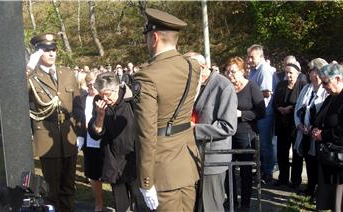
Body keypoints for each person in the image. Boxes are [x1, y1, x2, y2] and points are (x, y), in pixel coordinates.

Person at [133, 8, 201, 211]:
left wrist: (146, 181)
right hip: (187, 163)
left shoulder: (147, 77)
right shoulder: (192, 67)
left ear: (154, 37)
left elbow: (146, 133)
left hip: (162, 170)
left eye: (146, 37)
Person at [26, 33, 81, 211]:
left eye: (54, 49)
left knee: (69, 188)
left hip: (69, 139)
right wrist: (28, 67)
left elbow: (78, 106)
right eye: (46, 50)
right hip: (46, 141)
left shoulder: (67, 74)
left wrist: (81, 134)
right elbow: (14, 90)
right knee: (51, 192)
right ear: (37, 53)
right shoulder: (32, 75)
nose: (51, 53)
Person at [87, 72, 148, 211]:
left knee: (141, 203)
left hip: (134, 159)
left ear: (117, 88)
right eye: (101, 94)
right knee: (121, 206)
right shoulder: (98, 101)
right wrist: (100, 116)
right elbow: (96, 134)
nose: (105, 98)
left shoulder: (131, 99)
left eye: (108, 94)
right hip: (113, 161)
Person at [186, 52, 237, 211]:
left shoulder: (223, 86)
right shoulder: (193, 85)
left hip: (213, 158)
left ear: (201, 68)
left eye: (188, 69)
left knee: (211, 205)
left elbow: (228, 126)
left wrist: (196, 130)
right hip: (193, 156)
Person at [224, 56, 265, 209]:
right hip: (228, 133)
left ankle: (245, 203)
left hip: (246, 133)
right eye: (227, 72)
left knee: (245, 170)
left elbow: (261, 112)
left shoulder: (251, 86)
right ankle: (232, 199)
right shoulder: (226, 87)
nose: (230, 75)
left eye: (233, 72)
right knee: (228, 168)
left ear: (242, 71)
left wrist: (242, 114)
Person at [312, 63, 343, 212]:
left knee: (341, 201)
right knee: (329, 198)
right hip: (329, 155)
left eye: (326, 82)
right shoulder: (331, 97)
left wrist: (324, 134)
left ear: (338, 78)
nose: (324, 86)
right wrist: (316, 128)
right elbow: (320, 117)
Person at [293, 58, 328, 198]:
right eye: (312, 71)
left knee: (318, 162)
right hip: (305, 132)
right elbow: (298, 108)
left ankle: (319, 192)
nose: (311, 74)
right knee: (308, 161)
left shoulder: (326, 90)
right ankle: (310, 188)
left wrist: (315, 128)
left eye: (313, 71)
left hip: (318, 134)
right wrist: (299, 125)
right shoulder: (307, 88)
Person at [247, 44, 279, 184]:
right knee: (260, 144)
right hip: (257, 112)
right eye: (248, 57)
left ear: (261, 56)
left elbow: (266, 93)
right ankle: (262, 170)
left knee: (266, 144)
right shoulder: (254, 70)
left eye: (252, 57)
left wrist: (251, 95)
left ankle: (268, 172)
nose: (249, 60)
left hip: (265, 112)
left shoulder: (264, 71)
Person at [272, 62, 307, 189]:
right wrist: (279, 108)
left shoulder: (302, 85)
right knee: (282, 153)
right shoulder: (281, 85)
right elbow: (274, 102)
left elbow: (304, 103)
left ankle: (296, 180)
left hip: (295, 125)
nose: (288, 75)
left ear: (297, 73)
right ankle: (283, 178)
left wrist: (291, 108)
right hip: (282, 124)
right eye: (286, 73)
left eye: (291, 72)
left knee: (297, 154)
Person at [73, 72, 104, 211]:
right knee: (92, 173)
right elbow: (79, 117)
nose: (91, 86)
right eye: (89, 84)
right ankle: (99, 202)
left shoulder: (104, 97)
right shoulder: (83, 98)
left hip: (103, 140)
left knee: (108, 170)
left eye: (93, 83)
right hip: (88, 140)